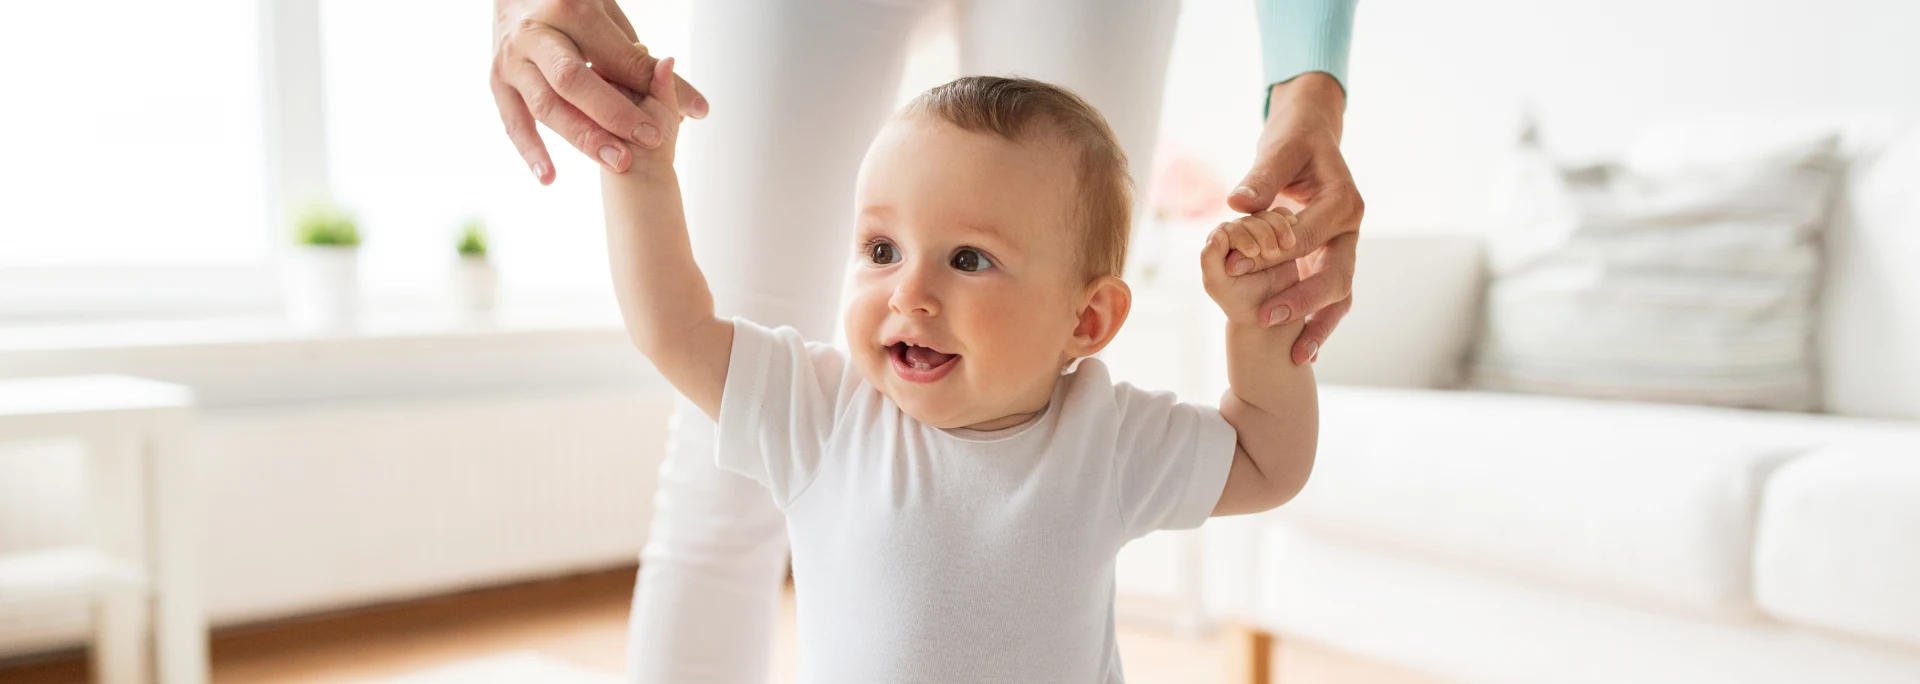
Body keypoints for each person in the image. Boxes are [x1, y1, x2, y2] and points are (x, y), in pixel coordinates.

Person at [489, 1, 1361, 681]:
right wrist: (640, 171)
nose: (909, 291)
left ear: (1087, 322)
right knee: (710, 501)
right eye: (880, 250)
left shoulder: (1106, 437)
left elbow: (1266, 463)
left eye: (969, 258)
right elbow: (672, 327)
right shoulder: (823, 411)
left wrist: (1256, 330)